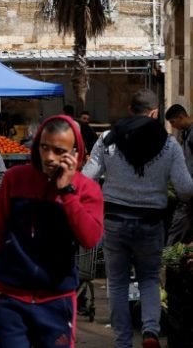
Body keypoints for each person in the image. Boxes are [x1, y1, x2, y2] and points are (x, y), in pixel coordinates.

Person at [0, 115, 104, 347]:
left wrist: (67, 193)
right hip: (11, 299)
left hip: (57, 300)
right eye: (44, 147)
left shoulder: (86, 189)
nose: (49, 157)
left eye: (59, 151)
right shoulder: (15, 179)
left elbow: (90, 238)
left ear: (74, 153)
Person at [82, 89, 193, 348]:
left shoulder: (107, 139)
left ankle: (123, 342)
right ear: (154, 113)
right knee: (149, 279)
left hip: (115, 220)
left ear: (130, 110)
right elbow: (186, 190)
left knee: (118, 283)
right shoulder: (169, 144)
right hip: (151, 222)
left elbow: (87, 178)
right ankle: (151, 331)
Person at [165, 104, 193, 244]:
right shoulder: (185, 133)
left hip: (189, 191)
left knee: (177, 227)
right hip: (187, 188)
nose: (172, 126)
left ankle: (169, 250)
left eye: (173, 122)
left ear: (181, 117)